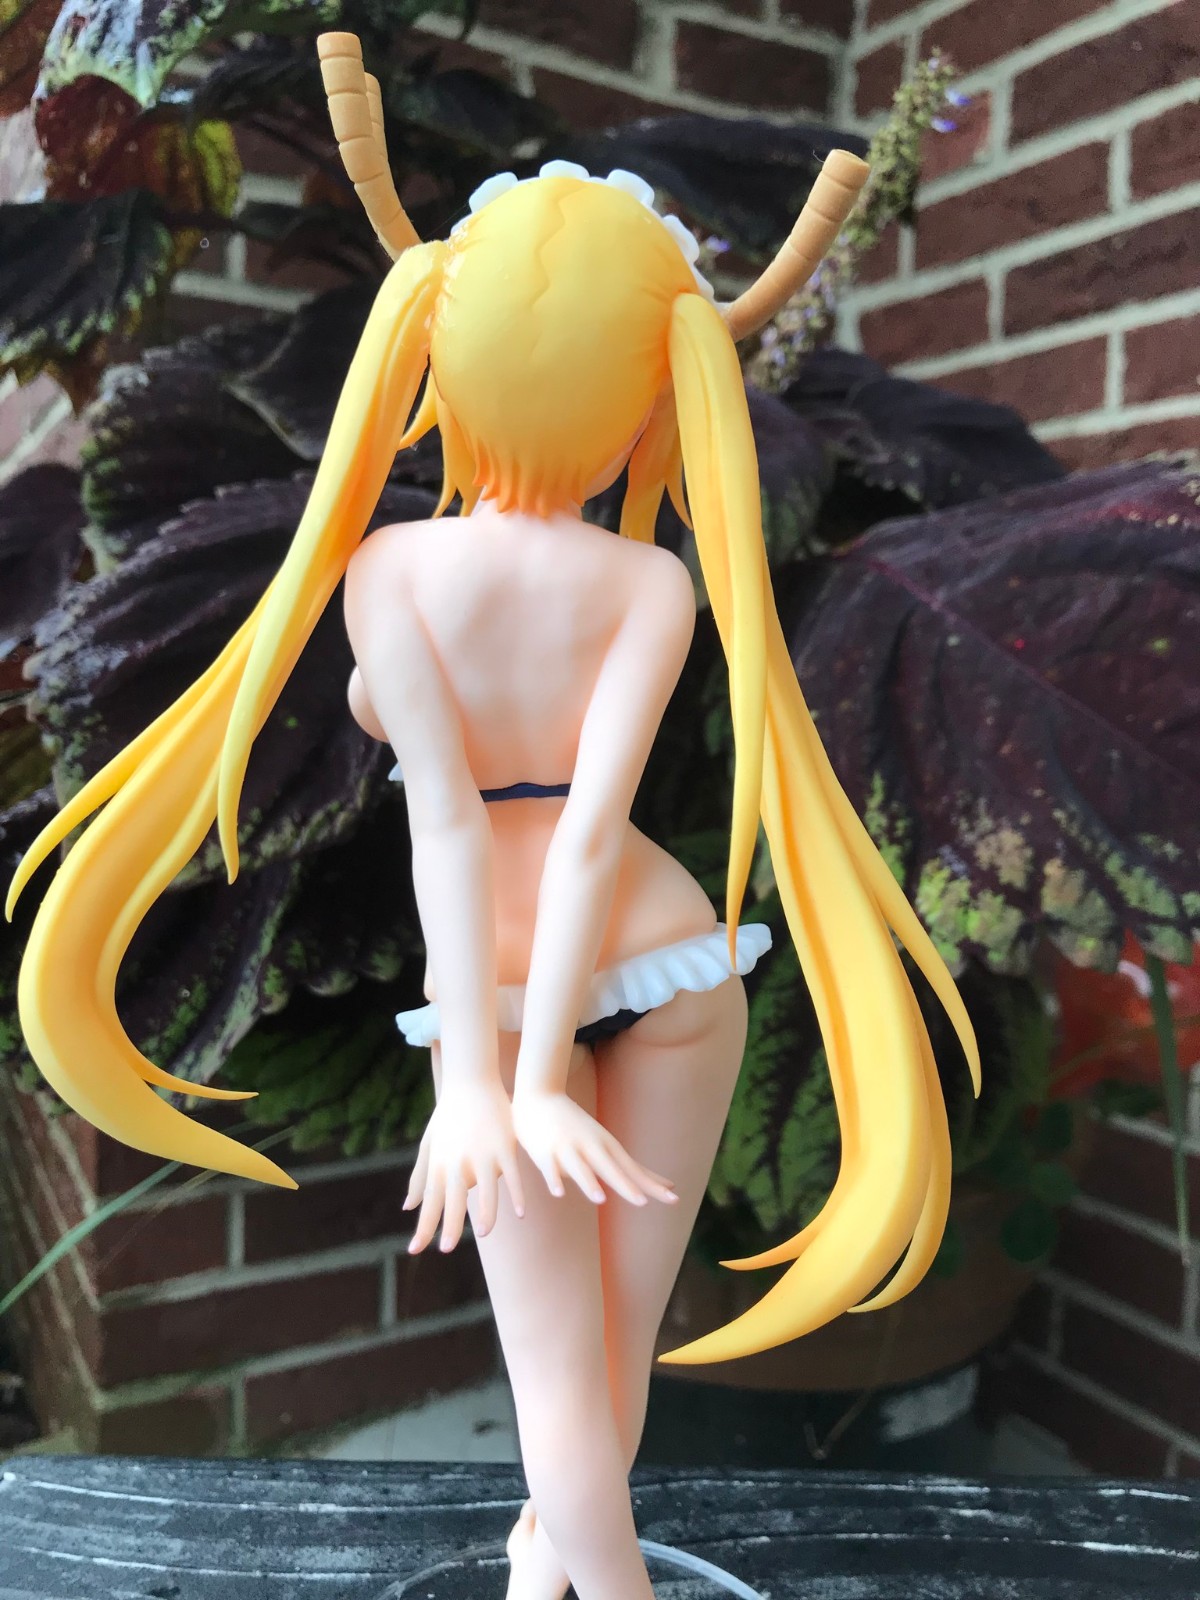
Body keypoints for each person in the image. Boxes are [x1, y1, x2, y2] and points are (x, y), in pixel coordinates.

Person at [8, 34, 979, 1600]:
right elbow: (591, 828)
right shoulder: (649, 582)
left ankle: (578, 1563)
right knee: (608, 1354)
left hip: (509, 978)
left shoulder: (391, 569)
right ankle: (556, 1561)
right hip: (671, 958)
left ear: (440, 362)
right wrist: (508, 1084)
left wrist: (492, 1078)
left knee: (561, 1381)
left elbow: (454, 830)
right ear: (656, 386)